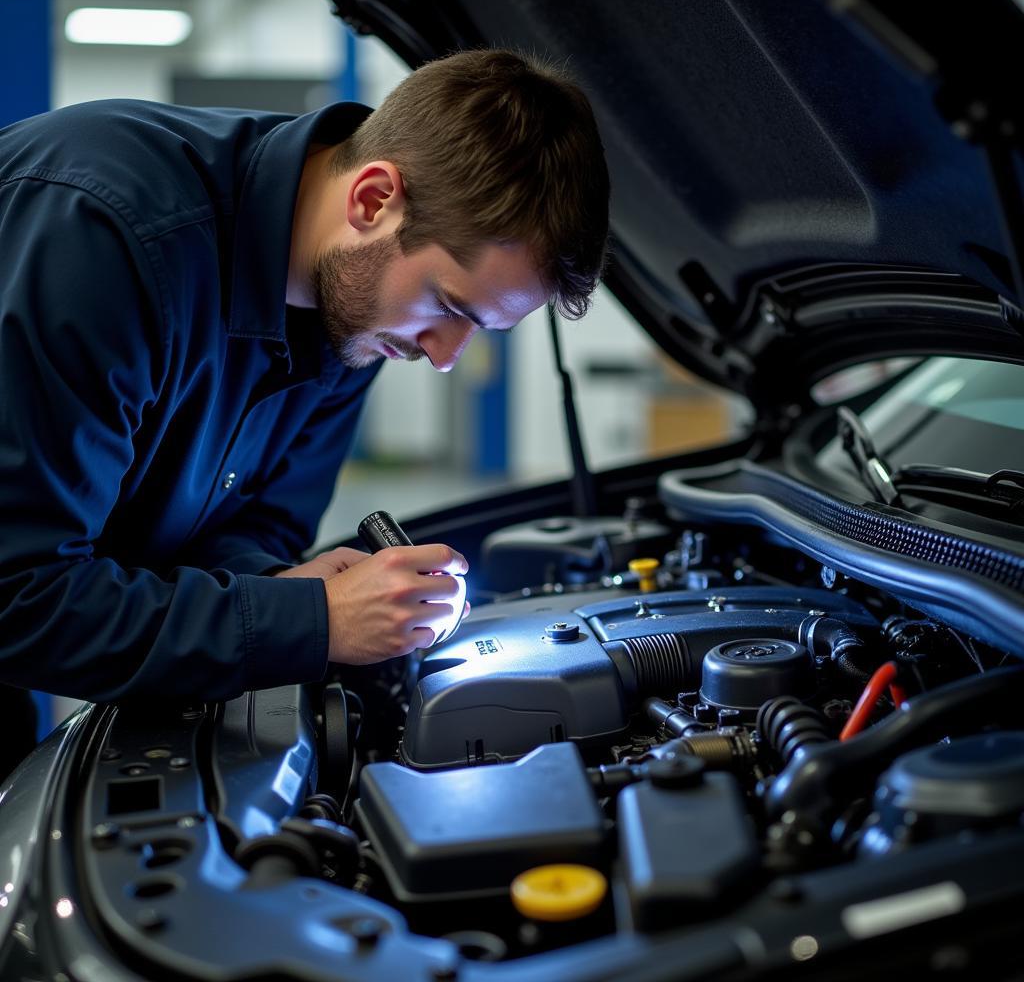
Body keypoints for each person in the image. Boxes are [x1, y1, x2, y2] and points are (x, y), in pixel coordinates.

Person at [0, 49, 610, 717]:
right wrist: (313, 621)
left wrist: (290, 586)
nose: (443, 357)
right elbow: (16, 595)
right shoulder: (105, 239)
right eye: (450, 306)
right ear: (373, 199)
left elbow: (254, 528)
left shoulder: (351, 315)